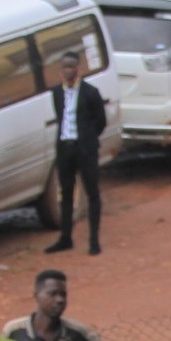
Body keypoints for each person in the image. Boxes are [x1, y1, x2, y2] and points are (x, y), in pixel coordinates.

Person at [46, 51, 107, 256]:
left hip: (85, 149)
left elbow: (101, 121)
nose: (68, 71)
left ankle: (94, 240)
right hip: (65, 147)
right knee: (66, 192)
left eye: (72, 67)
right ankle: (65, 238)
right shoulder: (56, 93)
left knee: (92, 192)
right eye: (64, 67)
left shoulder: (91, 93)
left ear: (79, 69)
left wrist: (88, 139)